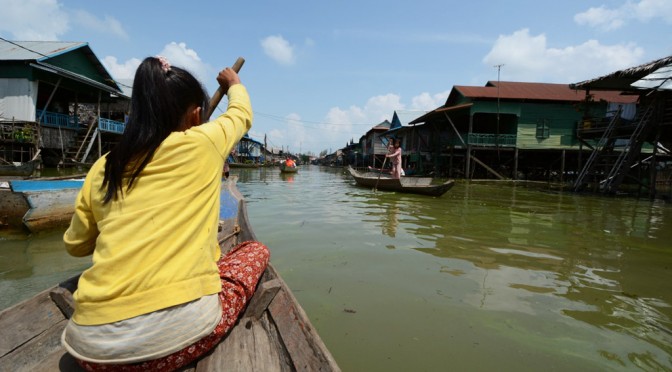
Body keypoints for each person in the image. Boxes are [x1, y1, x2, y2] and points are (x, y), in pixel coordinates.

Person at [60, 56, 269, 371]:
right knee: (254, 252)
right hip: (171, 344)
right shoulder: (205, 142)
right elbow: (241, 114)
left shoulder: (105, 164)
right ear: (197, 115)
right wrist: (234, 85)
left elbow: (76, 246)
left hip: (90, 353)